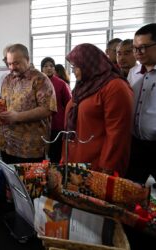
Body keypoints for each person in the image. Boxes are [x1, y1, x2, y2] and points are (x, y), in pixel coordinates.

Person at [65, 43, 133, 177]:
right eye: (72, 67)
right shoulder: (83, 86)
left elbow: (118, 134)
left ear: (89, 64)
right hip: (76, 161)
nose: (73, 71)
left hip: (97, 167)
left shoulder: (115, 87)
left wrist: (107, 168)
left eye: (76, 67)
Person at [0, 44, 57, 164]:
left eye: (16, 63)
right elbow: (1, 104)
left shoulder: (40, 79)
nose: (12, 67)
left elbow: (47, 109)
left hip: (29, 147)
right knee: (9, 180)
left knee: (29, 181)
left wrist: (17, 117)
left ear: (27, 59)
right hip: (7, 142)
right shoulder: (7, 79)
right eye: (9, 63)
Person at [127, 23, 156, 183]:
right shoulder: (133, 73)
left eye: (143, 47)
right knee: (130, 189)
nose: (137, 53)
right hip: (136, 144)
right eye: (135, 48)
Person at [41, 57, 71, 163]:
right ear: (41, 69)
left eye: (51, 66)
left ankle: (56, 176)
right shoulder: (38, 83)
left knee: (55, 155)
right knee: (40, 154)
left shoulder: (61, 84)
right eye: (45, 66)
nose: (49, 68)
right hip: (40, 125)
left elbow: (69, 103)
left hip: (57, 125)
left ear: (54, 68)